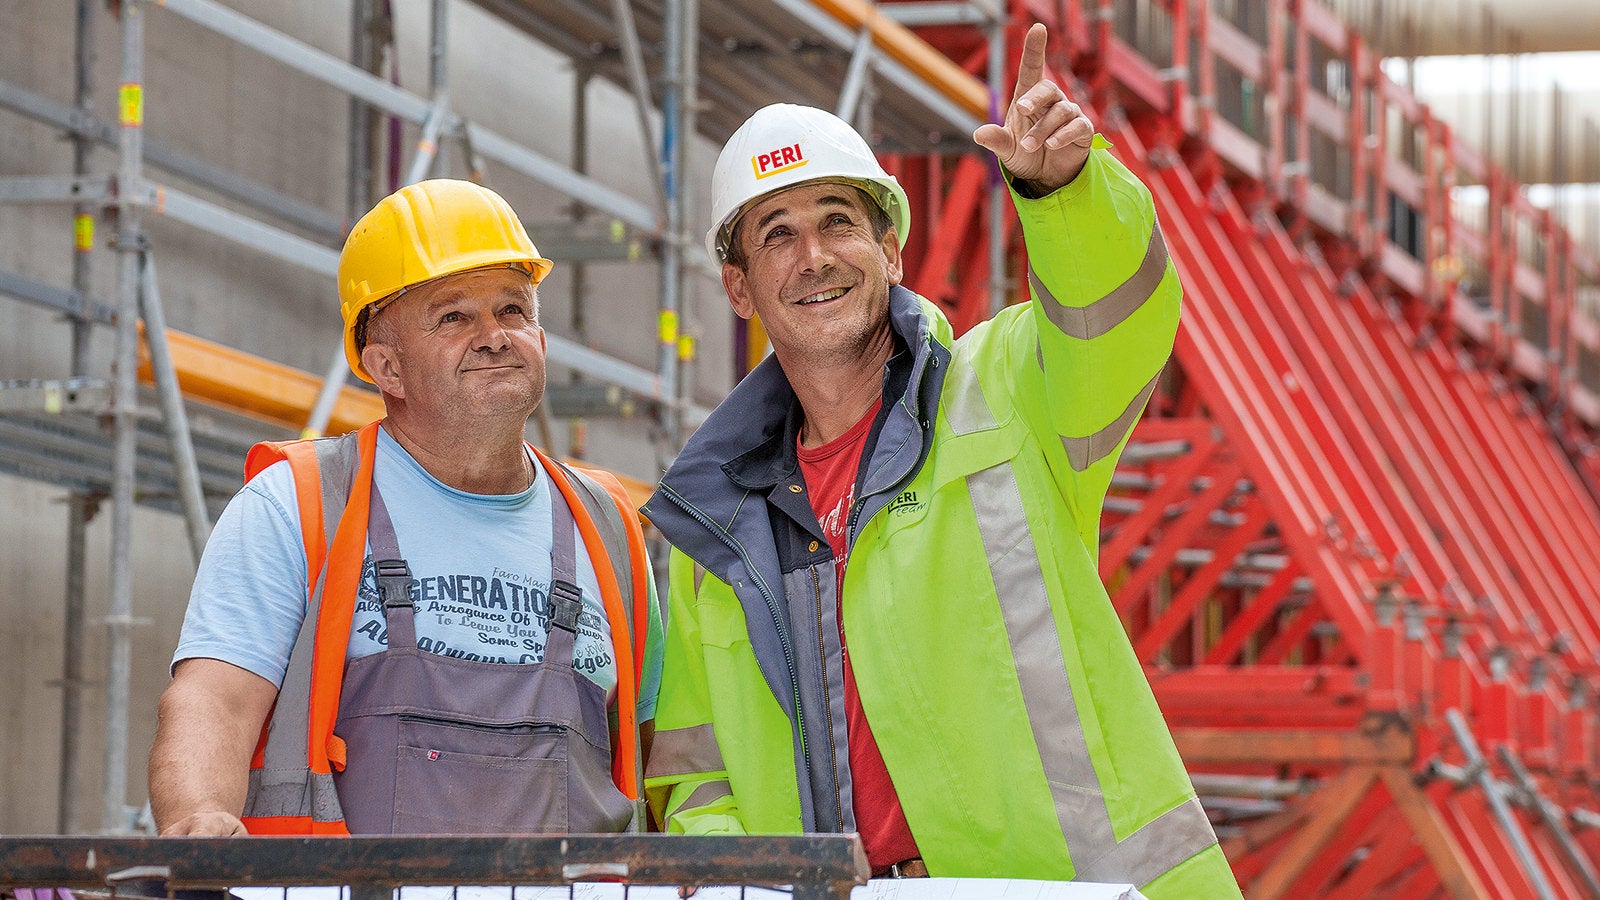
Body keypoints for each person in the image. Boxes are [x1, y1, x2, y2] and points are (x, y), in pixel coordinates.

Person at [640, 24, 1240, 897]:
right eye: (776, 235)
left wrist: (1065, 195)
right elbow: (696, 775)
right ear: (740, 288)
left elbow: (1116, 318)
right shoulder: (713, 529)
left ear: (890, 250)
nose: (814, 256)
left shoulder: (1008, 391)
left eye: (838, 221)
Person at [148, 178, 662, 837]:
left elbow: (660, 751)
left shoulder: (608, 525)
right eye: (454, 317)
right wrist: (199, 822)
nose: (494, 336)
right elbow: (215, 702)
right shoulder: (299, 504)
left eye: (513, 309)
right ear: (385, 367)